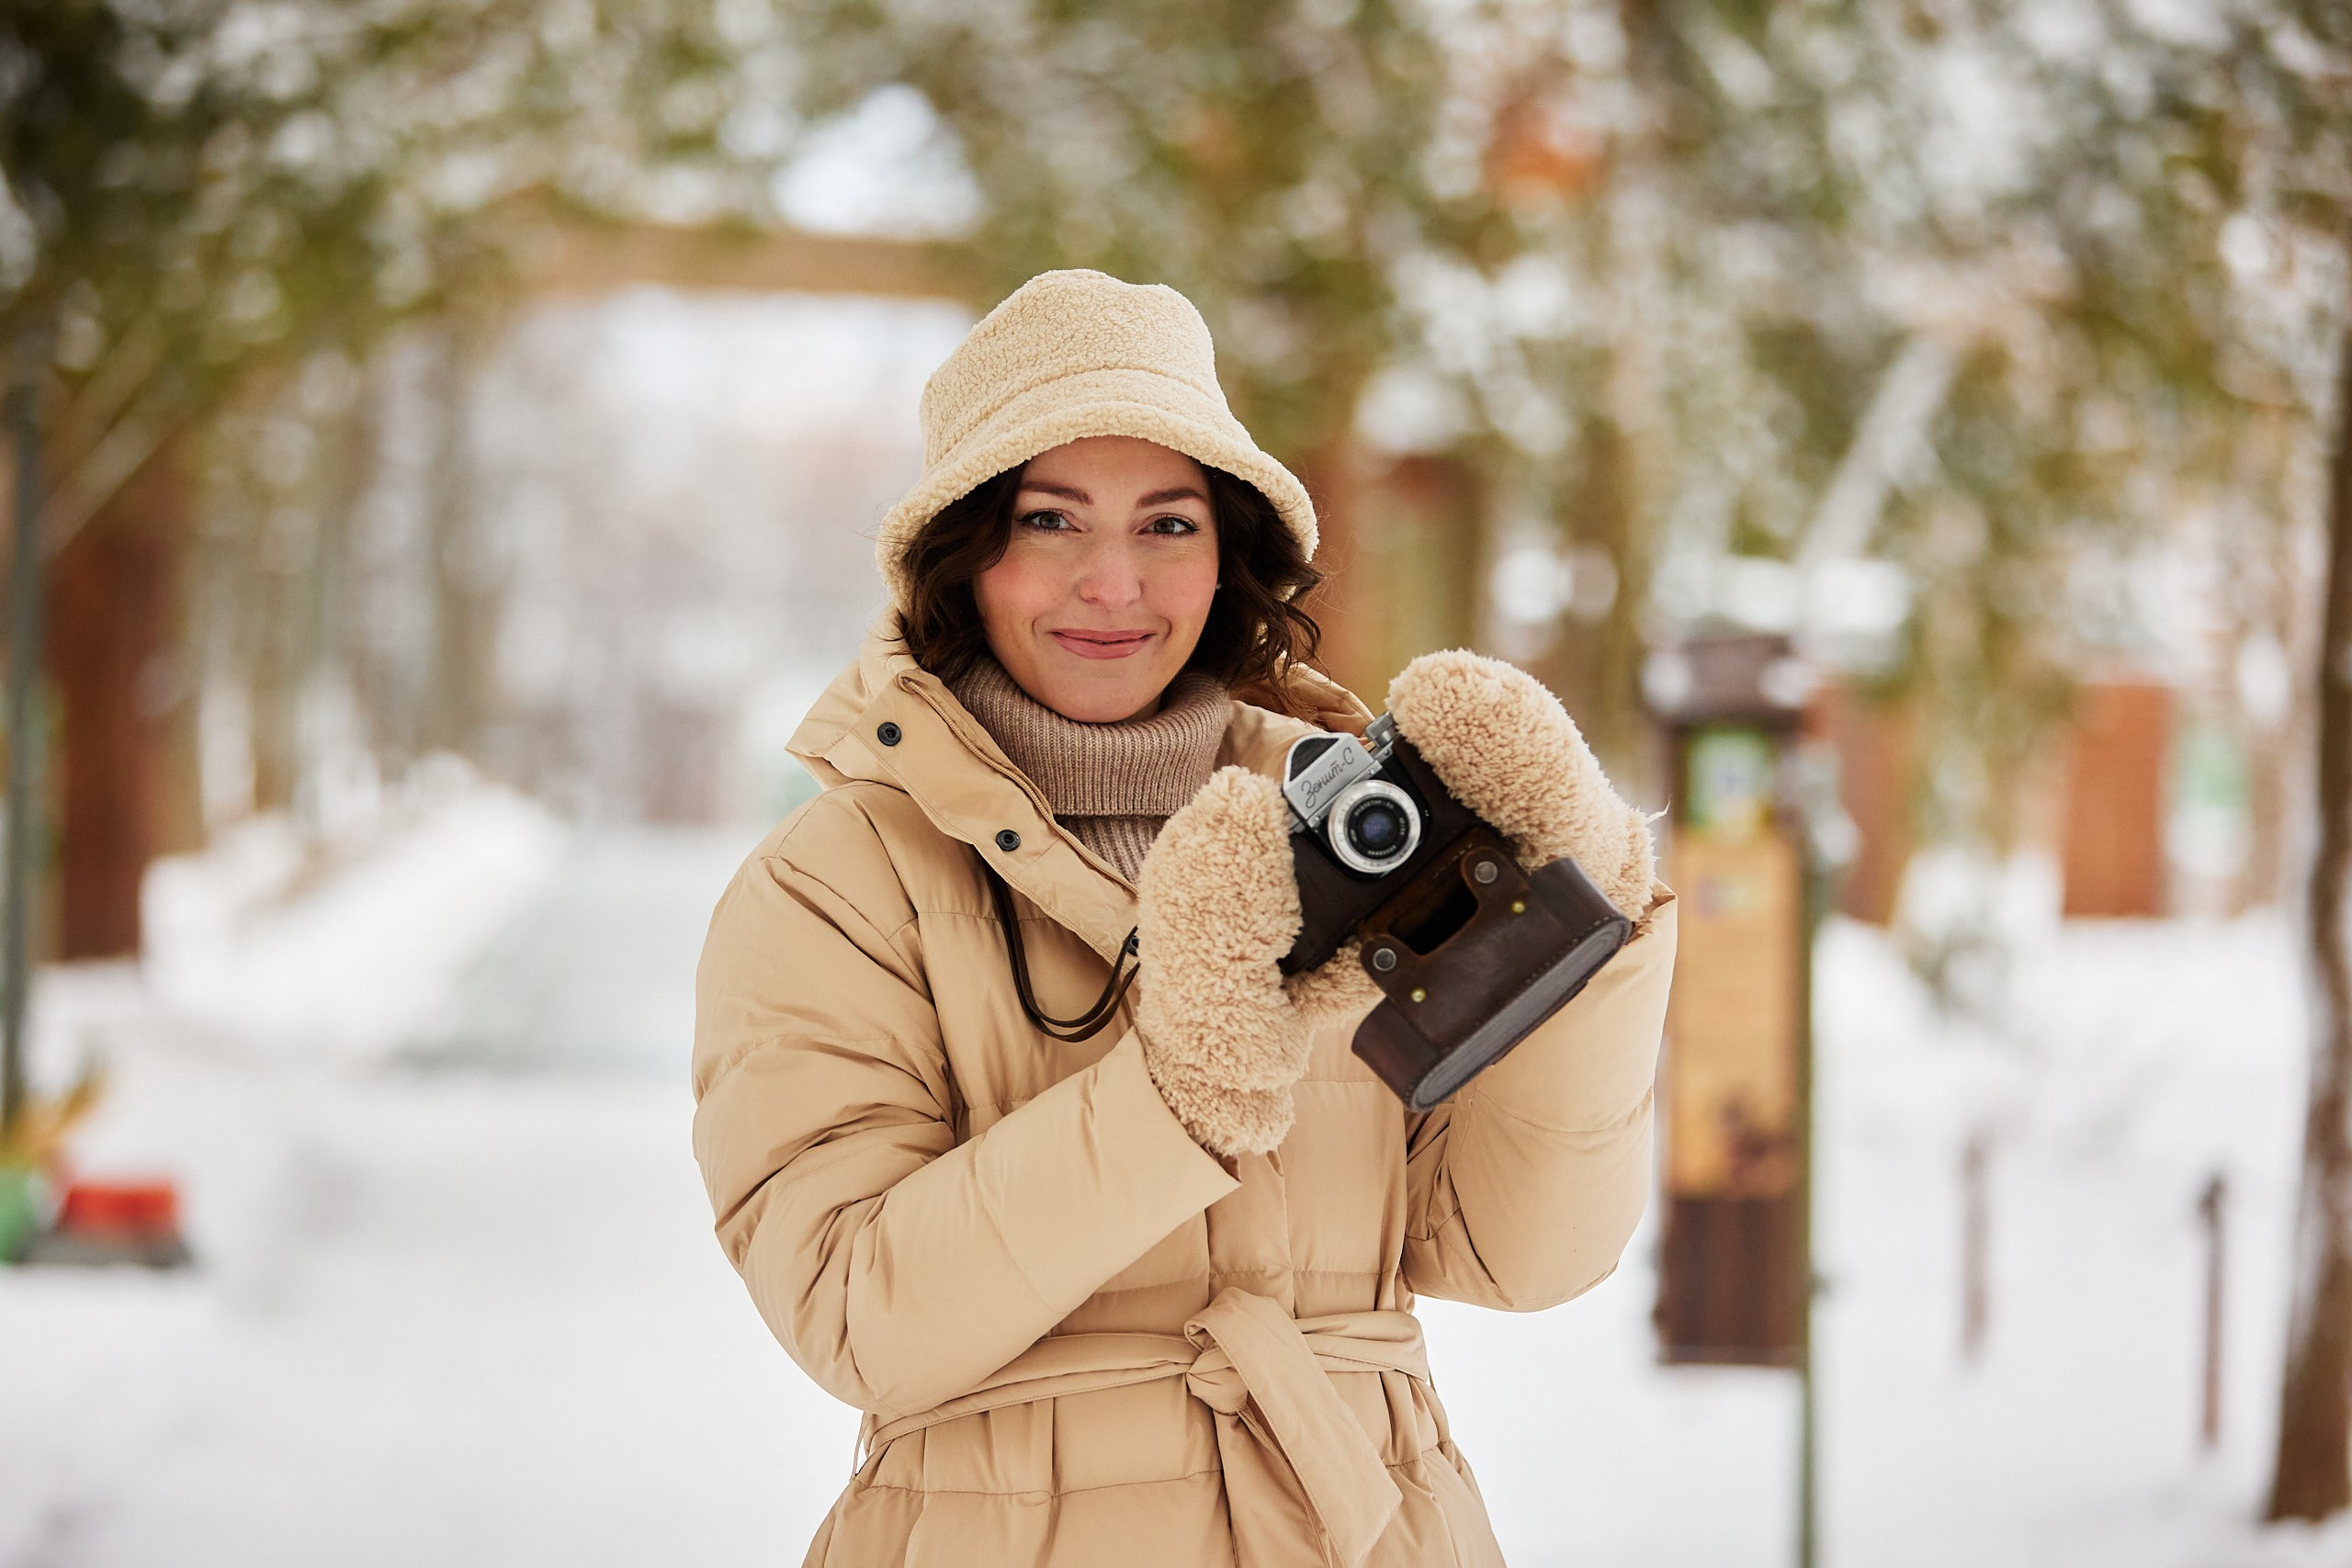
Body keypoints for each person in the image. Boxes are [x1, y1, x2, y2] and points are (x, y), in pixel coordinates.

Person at [692, 269, 1678, 1568]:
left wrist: (1585, 905)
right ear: (964, 556)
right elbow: (856, 1313)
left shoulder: (1354, 828)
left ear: (1227, 559)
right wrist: (1179, 1096)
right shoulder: (838, 882)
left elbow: (1520, 1253)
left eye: (1168, 524)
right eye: (1051, 520)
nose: (1115, 583)